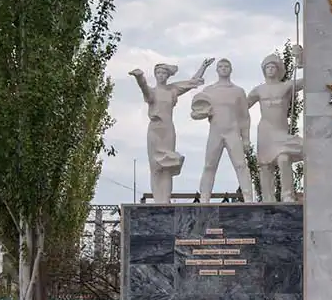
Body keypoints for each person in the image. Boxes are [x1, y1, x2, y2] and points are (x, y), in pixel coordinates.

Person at [129, 58, 213, 204]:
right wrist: (139, 77)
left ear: (168, 76)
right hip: (155, 129)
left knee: (167, 167)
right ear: (155, 75)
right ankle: (158, 200)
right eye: (158, 73)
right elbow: (144, 88)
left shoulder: (172, 90)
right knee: (155, 167)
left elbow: (191, 83)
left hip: (168, 130)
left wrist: (203, 67)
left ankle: (165, 199)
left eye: (163, 73)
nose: (161, 75)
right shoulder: (152, 92)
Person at [191, 59, 255, 203]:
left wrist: (246, 138)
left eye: (226, 66)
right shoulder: (209, 91)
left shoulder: (238, 91)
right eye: (220, 66)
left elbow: (244, 116)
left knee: (241, 165)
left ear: (231, 69)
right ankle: (204, 198)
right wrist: (199, 113)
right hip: (216, 132)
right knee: (209, 166)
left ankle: (248, 198)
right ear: (217, 70)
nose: (223, 68)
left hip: (233, 132)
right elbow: (197, 110)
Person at [248, 46, 304, 202]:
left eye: (273, 66)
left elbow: (308, 81)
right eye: (268, 67)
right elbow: (242, 106)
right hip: (265, 131)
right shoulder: (258, 90)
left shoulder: (286, 86)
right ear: (264, 70)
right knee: (265, 166)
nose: (270, 69)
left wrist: (300, 60)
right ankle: (267, 198)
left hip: (281, 132)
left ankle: (287, 195)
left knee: (284, 159)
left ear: (279, 70)